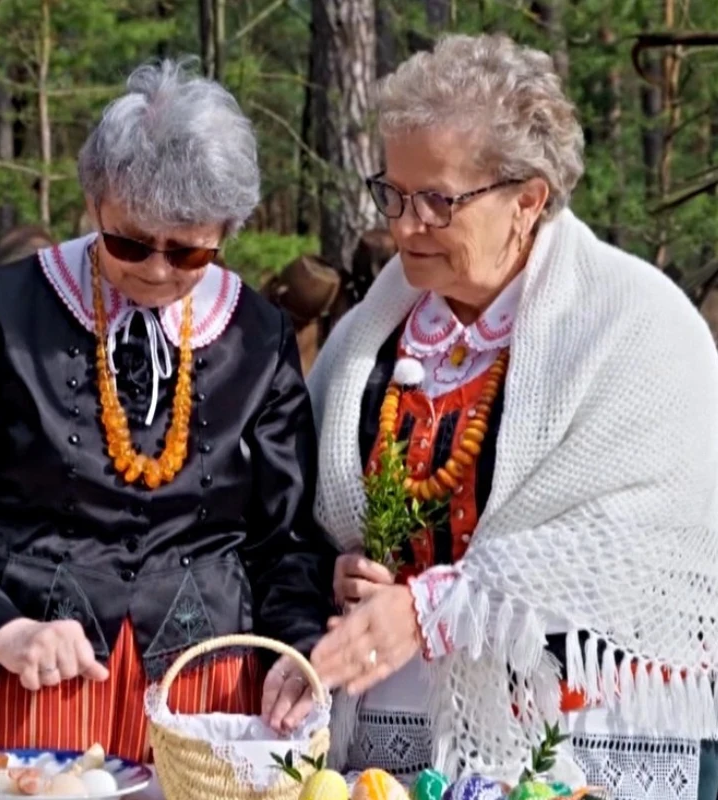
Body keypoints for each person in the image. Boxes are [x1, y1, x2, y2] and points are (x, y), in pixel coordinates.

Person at [0, 59, 335, 764]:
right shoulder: (1, 312)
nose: (155, 270)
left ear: (229, 229)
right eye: (127, 242)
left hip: (203, 697)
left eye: (188, 251)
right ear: (95, 205)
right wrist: (3, 631)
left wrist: (296, 649)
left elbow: (288, 542)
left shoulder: (259, 335)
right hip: (16, 682)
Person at [305, 34, 718, 799]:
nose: (403, 227)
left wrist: (433, 605)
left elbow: (644, 549)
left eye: (437, 200)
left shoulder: (636, 326)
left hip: (578, 732)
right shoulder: (376, 328)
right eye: (392, 194)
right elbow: (305, 510)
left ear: (528, 199)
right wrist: (335, 570)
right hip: (396, 737)